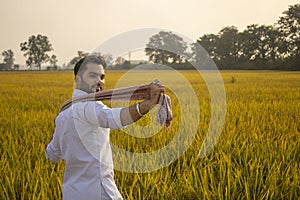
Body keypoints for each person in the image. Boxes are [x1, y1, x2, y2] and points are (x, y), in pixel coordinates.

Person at [46, 55, 164, 200]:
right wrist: (149, 104)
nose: (100, 81)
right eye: (93, 76)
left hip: (72, 193)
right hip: (99, 191)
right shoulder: (90, 107)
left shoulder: (63, 115)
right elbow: (114, 118)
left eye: (102, 76)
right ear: (78, 79)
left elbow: (52, 155)